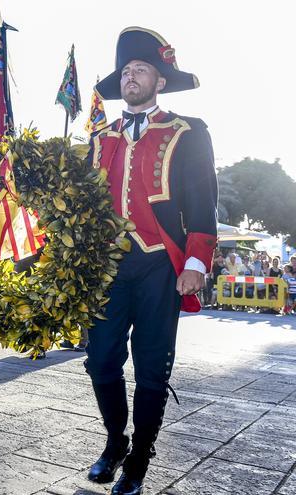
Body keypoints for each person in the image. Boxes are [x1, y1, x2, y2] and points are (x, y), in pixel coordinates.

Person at [84, 27, 217, 494]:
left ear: (160, 80)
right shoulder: (101, 138)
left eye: (141, 70)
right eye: (126, 71)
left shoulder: (188, 132)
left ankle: (140, 455)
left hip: (162, 263)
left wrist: (196, 263)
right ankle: (116, 441)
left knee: (152, 366)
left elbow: (203, 201)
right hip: (109, 266)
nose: (131, 77)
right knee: (99, 360)